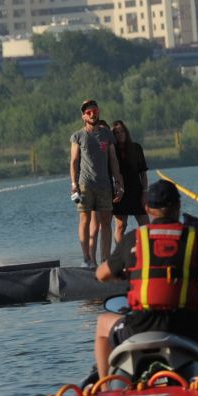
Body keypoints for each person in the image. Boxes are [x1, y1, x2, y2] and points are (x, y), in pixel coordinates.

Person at [92, 179, 198, 393]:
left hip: (139, 326)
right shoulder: (197, 237)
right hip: (189, 326)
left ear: (147, 209)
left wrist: (122, 273)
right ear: (178, 207)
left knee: (102, 324)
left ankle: (106, 388)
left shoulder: (133, 239)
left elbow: (100, 274)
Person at [70, 99, 124, 270]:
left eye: (94, 111)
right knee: (85, 220)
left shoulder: (106, 134)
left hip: (105, 185)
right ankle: (86, 258)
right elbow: (74, 161)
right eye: (88, 112)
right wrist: (74, 184)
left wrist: (118, 182)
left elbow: (113, 159)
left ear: (98, 112)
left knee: (106, 223)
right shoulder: (78, 136)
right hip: (85, 184)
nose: (92, 114)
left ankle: (106, 259)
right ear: (83, 117)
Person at [110, 121, 149, 245]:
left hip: (136, 190)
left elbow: (143, 173)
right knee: (121, 225)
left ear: (126, 132)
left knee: (145, 223)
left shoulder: (136, 148)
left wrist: (144, 192)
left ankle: (146, 251)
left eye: (122, 131)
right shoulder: (112, 150)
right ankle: (120, 255)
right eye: (116, 133)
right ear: (113, 135)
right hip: (120, 191)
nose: (120, 134)